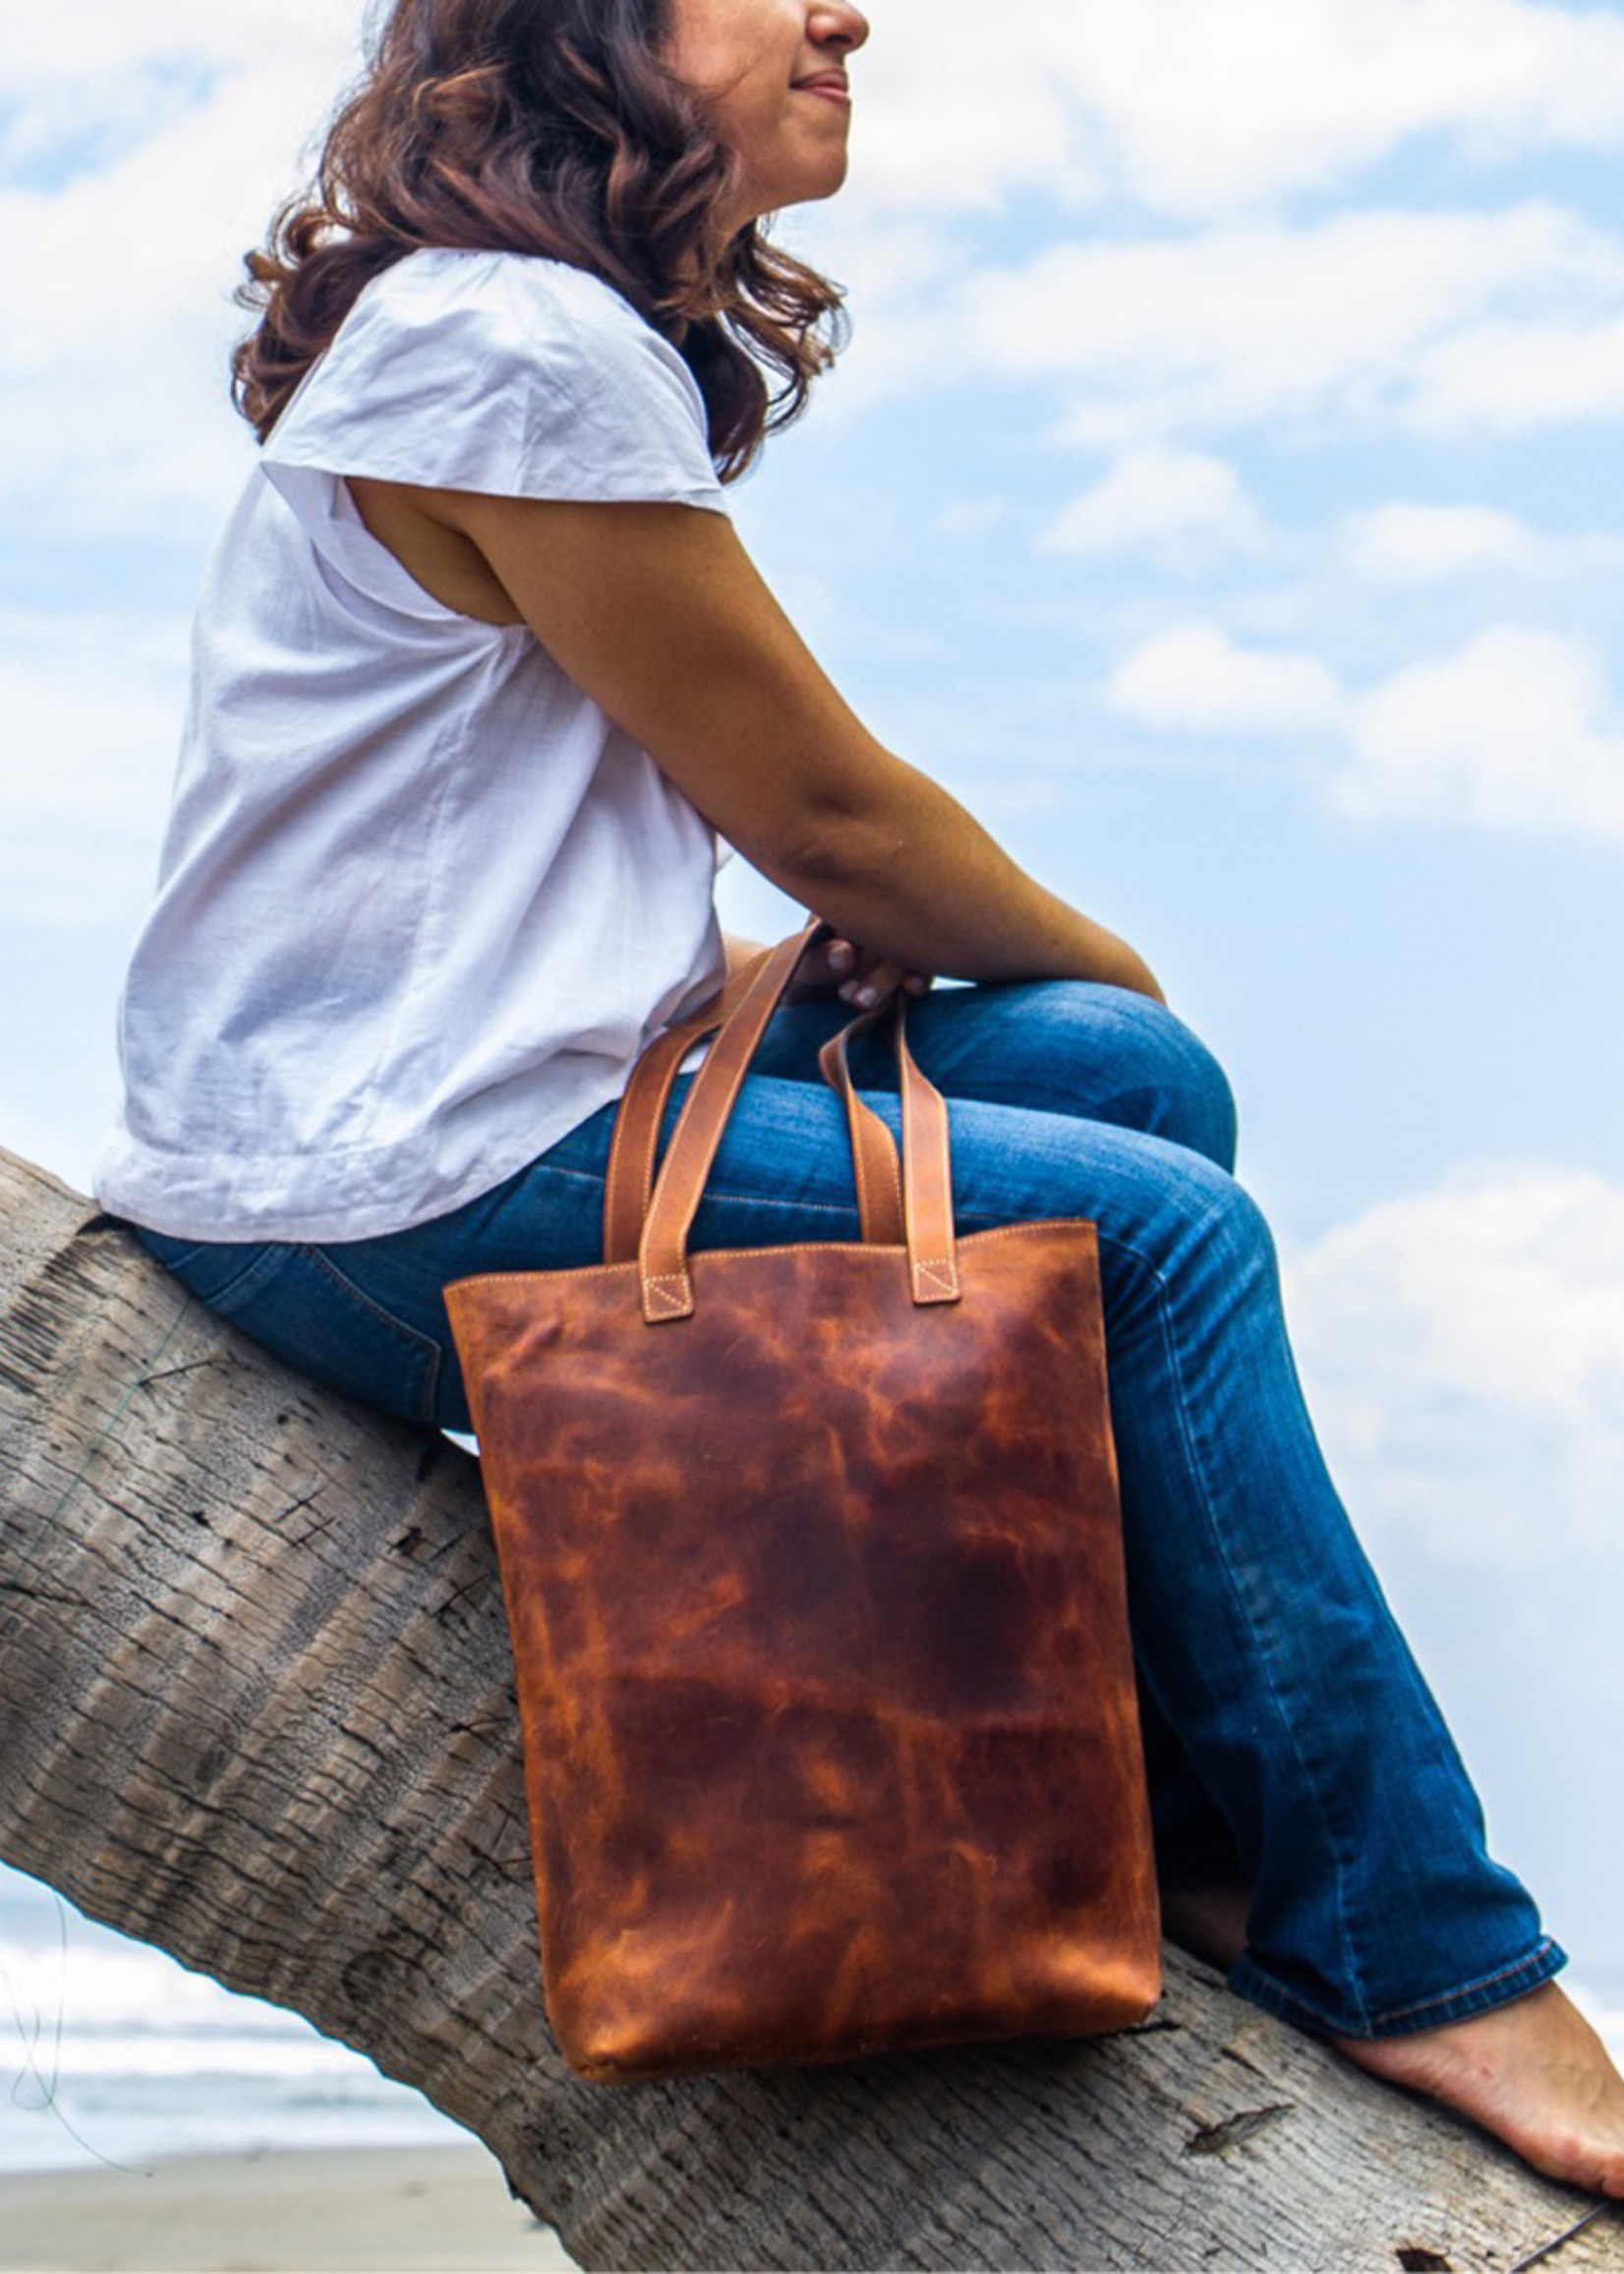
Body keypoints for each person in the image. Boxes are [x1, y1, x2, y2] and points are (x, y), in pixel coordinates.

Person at [97, 0, 1624, 2198]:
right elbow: (827, 808)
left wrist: (775, 970)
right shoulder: (507, 342)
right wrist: (1080, 936)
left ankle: (1159, 1815)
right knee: (1154, 1232)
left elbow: (479, 834)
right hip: (356, 1169)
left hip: (466, 1084)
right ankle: (1424, 1954)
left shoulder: (528, 338)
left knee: (1121, 1085)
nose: (846, 12)